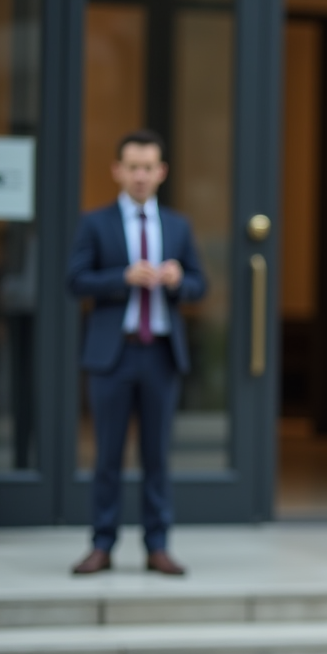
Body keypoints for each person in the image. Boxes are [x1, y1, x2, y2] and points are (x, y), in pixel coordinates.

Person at [67, 129, 206, 576]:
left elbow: (199, 284)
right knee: (107, 454)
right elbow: (75, 281)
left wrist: (176, 281)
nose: (141, 176)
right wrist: (122, 277)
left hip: (161, 354)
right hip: (113, 353)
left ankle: (157, 545)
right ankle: (102, 544)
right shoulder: (95, 222)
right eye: (133, 167)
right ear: (118, 171)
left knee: (157, 456)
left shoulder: (178, 226)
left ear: (161, 172)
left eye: (148, 167)